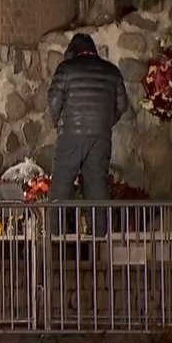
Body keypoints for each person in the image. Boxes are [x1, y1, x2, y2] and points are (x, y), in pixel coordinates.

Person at [47, 33, 130, 233]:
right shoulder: (112, 72)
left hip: (70, 135)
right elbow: (122, 105)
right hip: (100, 137)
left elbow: (54, 101)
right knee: (96, 183)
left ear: (73, 52)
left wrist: (59, 123)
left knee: (62, 183)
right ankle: (100, 235)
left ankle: (56, 235)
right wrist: (105, 123)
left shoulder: (66, 69)